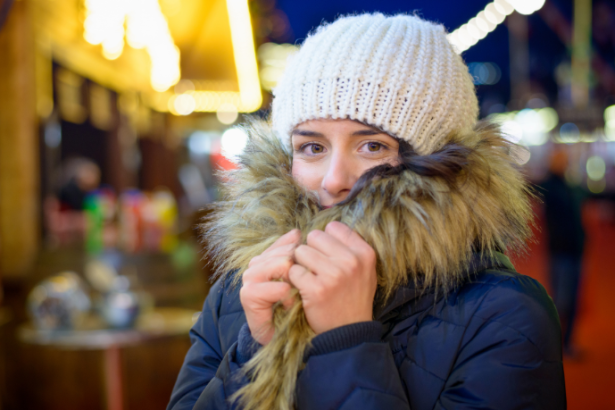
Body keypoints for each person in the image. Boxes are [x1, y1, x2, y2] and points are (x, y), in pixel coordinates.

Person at [168, 13, 566, 410]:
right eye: (312, 147)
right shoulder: (240, 293)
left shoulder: (505, 316)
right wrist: (254, 354)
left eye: (372, 146)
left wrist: (346, 342)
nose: (333, 180)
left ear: (438, 162)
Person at [541, 147, 585, 357]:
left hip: (574, 250)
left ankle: (566, 344)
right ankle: (554, 346)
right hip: (560, 251)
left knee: (572, 300)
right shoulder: (550, 186)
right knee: (561, 301)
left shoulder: (568, 186)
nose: (565, 163)